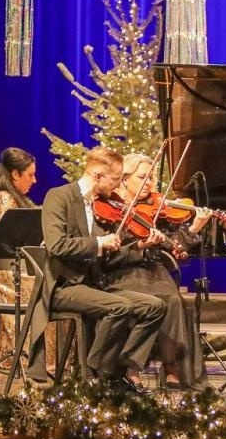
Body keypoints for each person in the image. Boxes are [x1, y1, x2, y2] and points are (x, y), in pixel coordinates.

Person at [37, 146, 166, 389]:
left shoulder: (102, 206)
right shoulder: (59, 196)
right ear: (98, 176)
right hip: (65, 286)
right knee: (120, 307)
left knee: (154, 307)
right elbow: (56, 245)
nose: (118, 185)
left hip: (95, 284)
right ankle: (95, 375)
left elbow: (107, 258)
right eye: (115, 179)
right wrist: (98, 243)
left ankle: (121, 368)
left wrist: (138, 246)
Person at [98, 153, 218, 388]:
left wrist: (194, 227)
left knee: (173, 299)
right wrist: (139, 245)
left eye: (152, 177)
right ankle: (131, 369)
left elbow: (174, 246)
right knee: (149, 302)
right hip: (122, 270)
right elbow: (108, 249)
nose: (150, 184)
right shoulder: (108, 207)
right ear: (124, 179)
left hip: (153, 269)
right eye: (143, 177)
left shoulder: (156, 208)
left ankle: (171, 366)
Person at [0, 148, 62, 374]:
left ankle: (42, 357)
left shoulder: (17, 198)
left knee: (45, 281)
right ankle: (24, 355)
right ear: (14, 174)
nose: (34, 180)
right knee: (32, 285)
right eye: (30, 175)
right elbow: (7, 239)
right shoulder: (2, 197)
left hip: (10, 259)